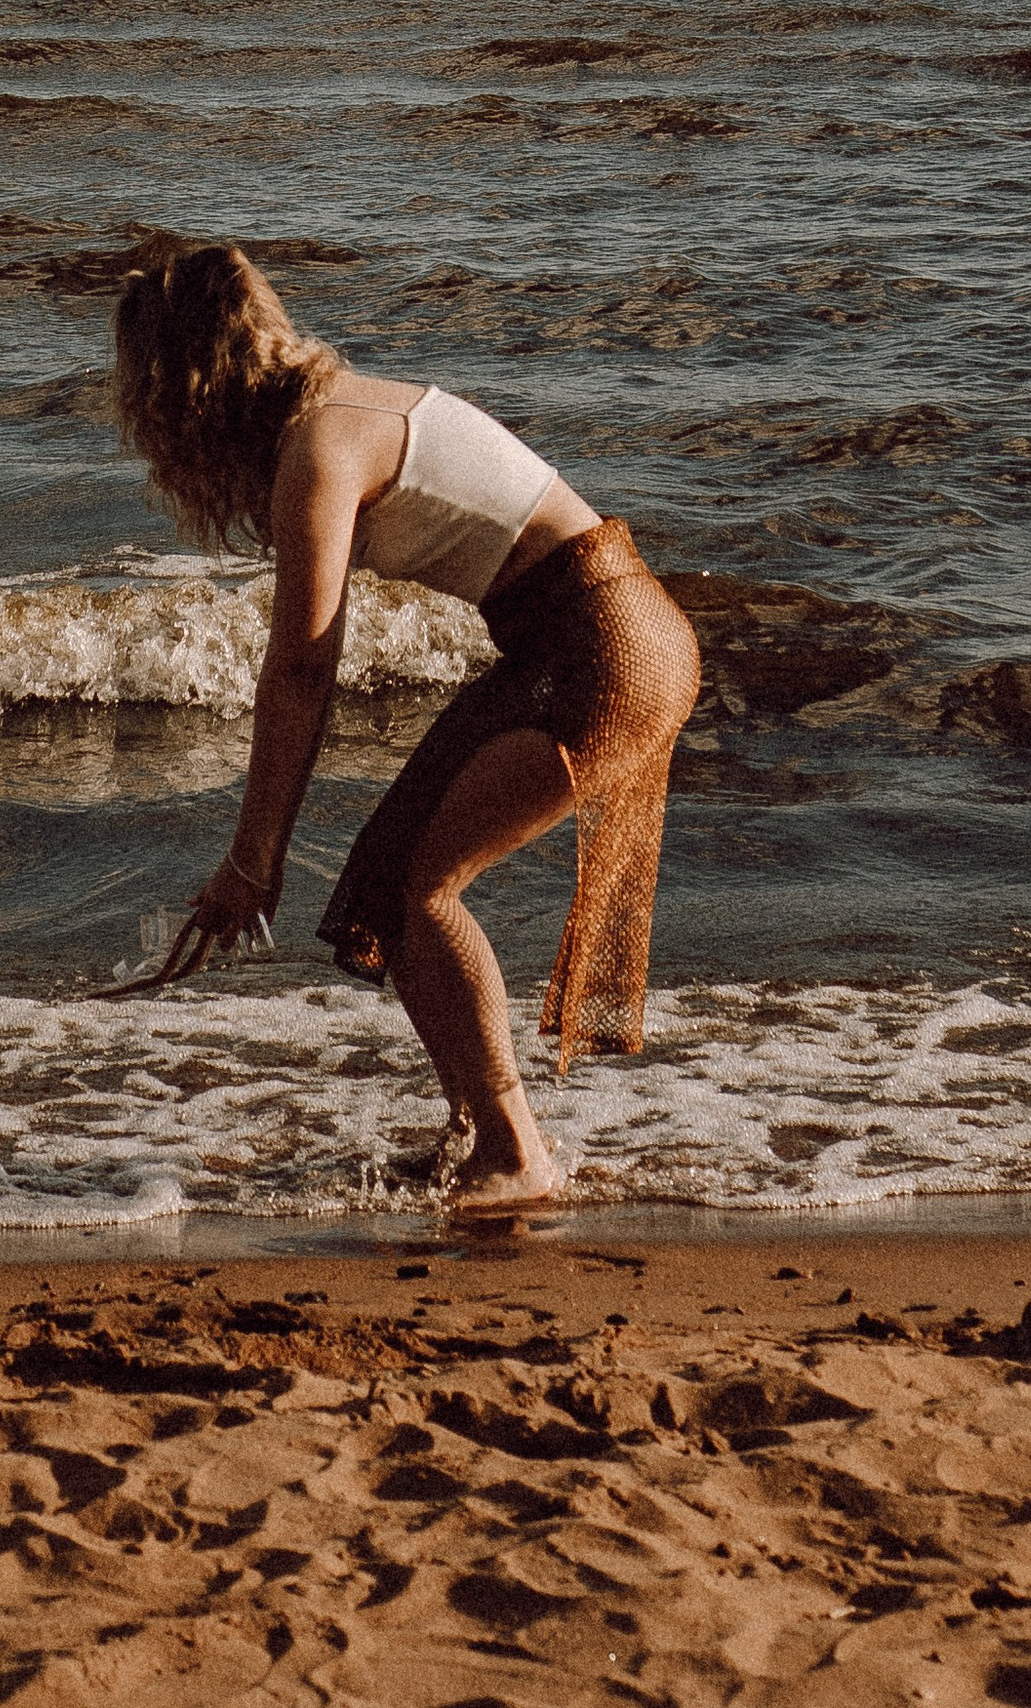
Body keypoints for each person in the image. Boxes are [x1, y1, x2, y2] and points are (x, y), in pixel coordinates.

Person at [112, 239, 700, 1212]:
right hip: (604, 627)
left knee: (423, 891)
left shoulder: (319, 449)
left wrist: (254, 859)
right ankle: (478, 1134)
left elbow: (303, 665)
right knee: (393, 880)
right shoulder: (346, 411)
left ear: (184, 387)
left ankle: (515, 1152)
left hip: (599, 643)